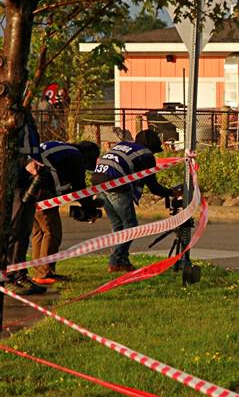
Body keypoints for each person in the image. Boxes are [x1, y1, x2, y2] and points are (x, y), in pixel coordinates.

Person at [91, 130, 179, 272]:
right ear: (151, 146)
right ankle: (115, 261)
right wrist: (171, 192)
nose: (154, 154)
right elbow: (153, 187)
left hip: (98, 181)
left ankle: (122, 261)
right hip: (116, 184)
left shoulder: (123, 145)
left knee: (118, 226)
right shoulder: (146, 155)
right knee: (131, 226)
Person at [30, 141, 101, 285]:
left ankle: (40, 271)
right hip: (41, 189)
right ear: (88, 156)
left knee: (39, 232)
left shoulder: (62, 149)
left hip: (29, 188)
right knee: (52, 232)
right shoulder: (76, 156)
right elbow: (79, 187)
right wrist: (90, 209)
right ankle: (44, 273)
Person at [5, 114, 46, 295]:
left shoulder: (26, 115)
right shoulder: (7, 112)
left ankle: (19, 274)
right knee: (12, 230)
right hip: (12, 183)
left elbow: (33, 148)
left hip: (28, 182)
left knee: (24, 230)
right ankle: (7, 277)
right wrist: (25, 162)